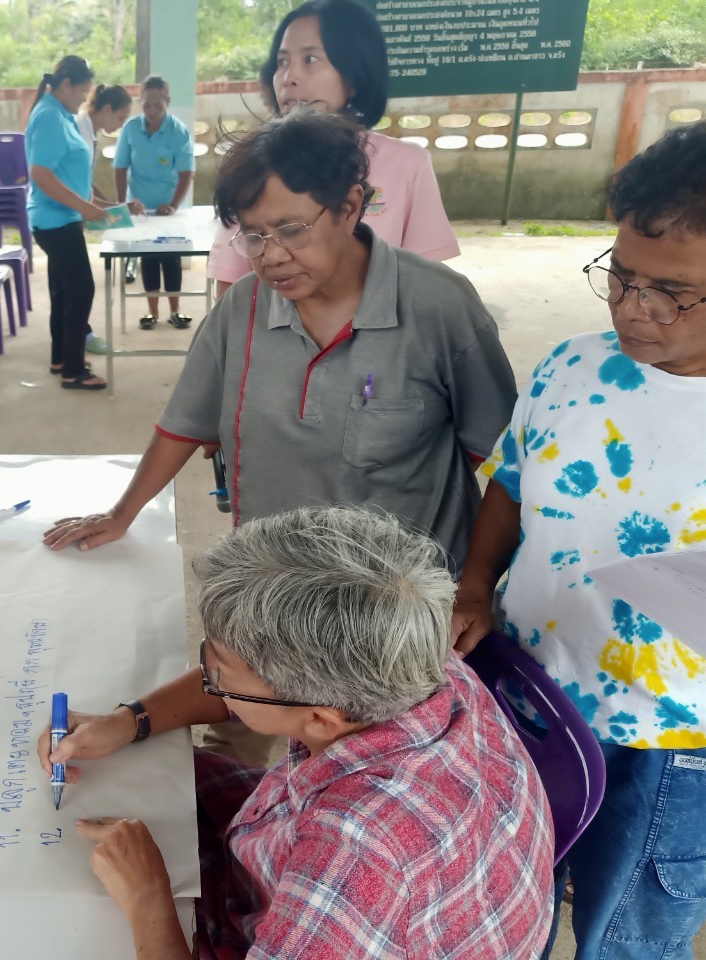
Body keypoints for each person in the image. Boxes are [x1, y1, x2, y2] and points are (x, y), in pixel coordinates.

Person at [45, 111, 514, 765]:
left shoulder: (438, 308)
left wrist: (475, 585)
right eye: (252, 236)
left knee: (376, 776)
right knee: (246, 750)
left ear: (351, 206)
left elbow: (503, 460)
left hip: (394, 622)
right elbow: (185, 421)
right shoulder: (243, 310)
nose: (269, 257)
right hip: (277, 602)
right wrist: (123, 513)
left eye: (290, 230)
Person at [40, 507, 554, 959]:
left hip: (350, 896)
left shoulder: (356, 853)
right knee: (146, 771)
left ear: (321, 720)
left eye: (218, 670)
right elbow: (253, 690)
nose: (207, 679)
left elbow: (357, 865)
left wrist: (148, 898)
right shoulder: (405, 649)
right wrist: (132, 720)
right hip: (313, 845)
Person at [452, 121, 706, 960]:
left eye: (672, 292)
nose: (634, 307)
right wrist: (476, 586)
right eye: (622, 275)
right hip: (531, 694)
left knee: (623, 933)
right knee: (506, 894)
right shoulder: (573, 365)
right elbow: (512, 483)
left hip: (670, 749)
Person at [206, 0, 459, 298]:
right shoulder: (254, 164)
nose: (289, 78)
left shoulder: (408, 164)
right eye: (282, 62)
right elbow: (230, 291)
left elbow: (426, 287)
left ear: (354, 76)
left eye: (311, 59)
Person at [26, 55, 109, 390]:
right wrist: (84, 208)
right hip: (56, 220)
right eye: (82, 92)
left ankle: (61, 357)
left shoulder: (59, 113)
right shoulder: (48, 116)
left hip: (62, 217)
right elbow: (41, 174)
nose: (84, 100)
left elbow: (66, 173)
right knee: (81, 290)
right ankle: (74, 371)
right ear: (64, 86)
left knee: (63, 292)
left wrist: (95, 204)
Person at [114, 76, 196, 330]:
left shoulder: (178, 132)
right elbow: (120, 167)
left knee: (171, 259)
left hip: (169, 210)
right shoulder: (130, 129)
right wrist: (122, 204)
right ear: (141, 102)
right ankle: (152, 312)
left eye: (157, 106)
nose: (151, 112)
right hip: (140, 209)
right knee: (148, 259)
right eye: (147, 105)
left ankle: (175, 310)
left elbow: (186, 173)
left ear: (167, 102)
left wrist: (172, 205)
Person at [76, 82, 134, 356]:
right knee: (78, 286)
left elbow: (85, 183)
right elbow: (77, 186)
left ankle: (74, 338)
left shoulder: (90, 132)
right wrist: (100, 207)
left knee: (69, 286)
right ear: (107, 109)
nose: (121, 125)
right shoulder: (78, 129)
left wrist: (113, 206)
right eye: (121, 118)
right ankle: (76, 340)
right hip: (60, 215)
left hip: (70, 211)